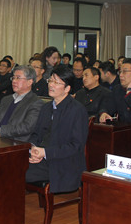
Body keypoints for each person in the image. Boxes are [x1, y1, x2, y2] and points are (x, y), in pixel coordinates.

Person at [27, 64, 89, 193]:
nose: (51, 85)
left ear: (67, 88)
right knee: (10, 164)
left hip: (63, 164)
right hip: (43, 159)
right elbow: (36, 135)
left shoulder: (77, 110)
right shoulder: (46, 107)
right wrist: (33, 149)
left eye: (56, 82)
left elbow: (76, 146)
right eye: (50, 81)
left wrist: (45, 153)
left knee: (16, 171)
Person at [0, 65, 44, 142]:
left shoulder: (35, 102)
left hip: (16, 143)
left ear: (29, 82)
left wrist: (1, 132)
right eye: (13, 78)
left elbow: (27, 127)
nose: (14, 81)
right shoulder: (6, 99)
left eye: (18, 78)